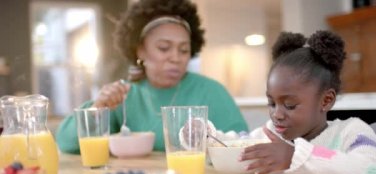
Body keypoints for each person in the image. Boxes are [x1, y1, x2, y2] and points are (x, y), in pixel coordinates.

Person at [56, 0, 248, 154]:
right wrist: (98, 108)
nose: (176, 58)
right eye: (164, 48)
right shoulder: (124, 95)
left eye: (184, 50)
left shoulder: (210, 92)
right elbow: (67, 143)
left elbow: (243, 143)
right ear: (140, 50)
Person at [240, 30, 376, 174]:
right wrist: (211, 136)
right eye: (272, 104)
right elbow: (237, 145)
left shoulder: (351, 132)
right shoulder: (271, 133)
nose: (277, 114)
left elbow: (373, 171)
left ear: (326, 100)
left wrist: (296, 157)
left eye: (290, 105)